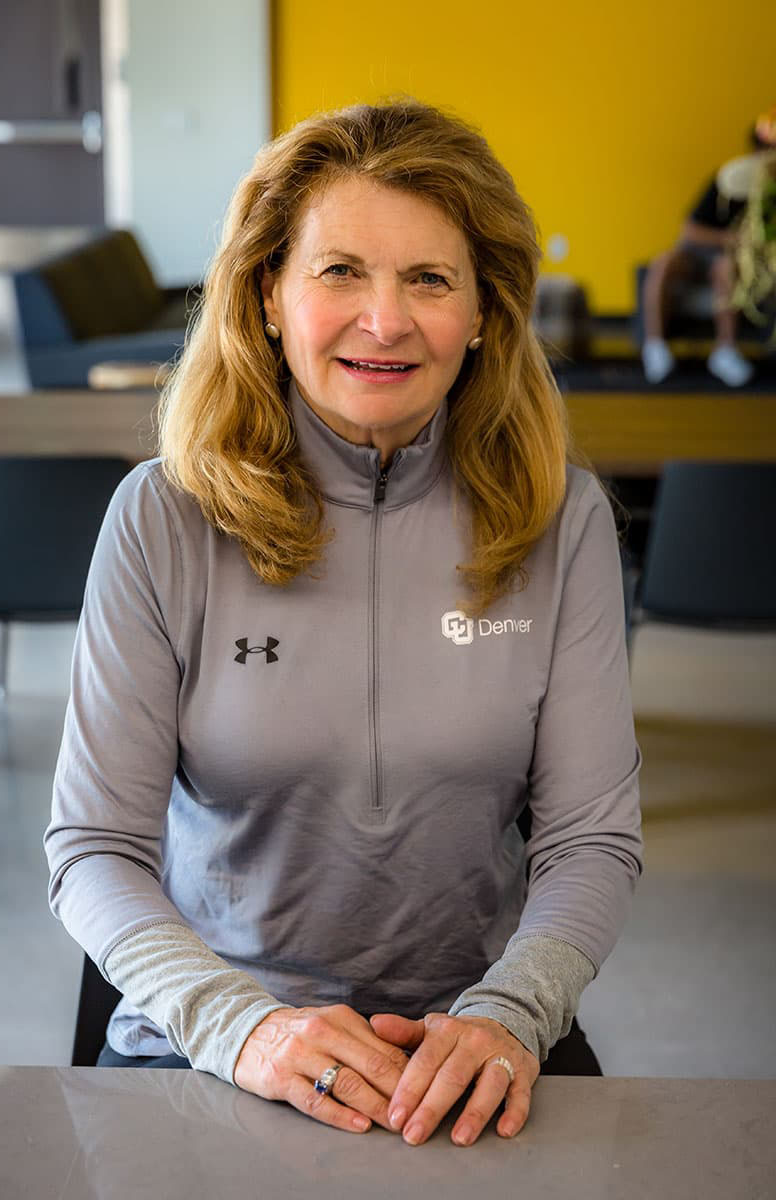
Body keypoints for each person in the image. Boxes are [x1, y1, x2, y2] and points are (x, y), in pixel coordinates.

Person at [45, 99, 642, 1148]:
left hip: (468, 1049)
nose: (385, 320)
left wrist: (506, 1016)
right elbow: (93, 847)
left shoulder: (561, 517)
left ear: (484, 313)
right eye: (337, 272)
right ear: (268, 295)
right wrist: (242, 1027)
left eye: (429, 279)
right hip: (209, 1042)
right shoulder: (163, 515)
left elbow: (589, 839)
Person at [641, 109, 776, 387]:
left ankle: (725, 351)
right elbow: (690, 230)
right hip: (697, 255)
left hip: (735, 263)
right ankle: (654, 348)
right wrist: (730, 239)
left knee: (725, 267)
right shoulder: (725, 179)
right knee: (664, 263)